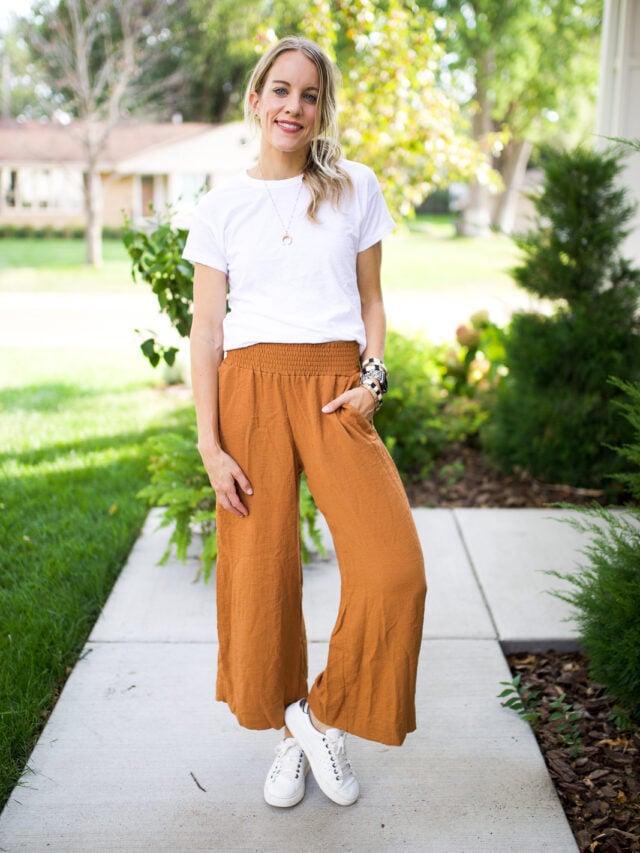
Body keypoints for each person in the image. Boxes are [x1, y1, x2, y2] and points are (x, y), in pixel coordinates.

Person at [183, 35, 427, 809]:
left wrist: (372, 380)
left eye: (310, 95)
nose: (294, 106)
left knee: (394, 571)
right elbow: (206, 331)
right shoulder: (221, 205)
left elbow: (374, 300)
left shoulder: (355, 186)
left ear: (323, 109)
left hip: (333, 387)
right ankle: (290, 740)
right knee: (261, 579)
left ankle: (318, 713)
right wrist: (209, 444)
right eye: (281, 90)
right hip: (249, 388)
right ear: (255, 100)